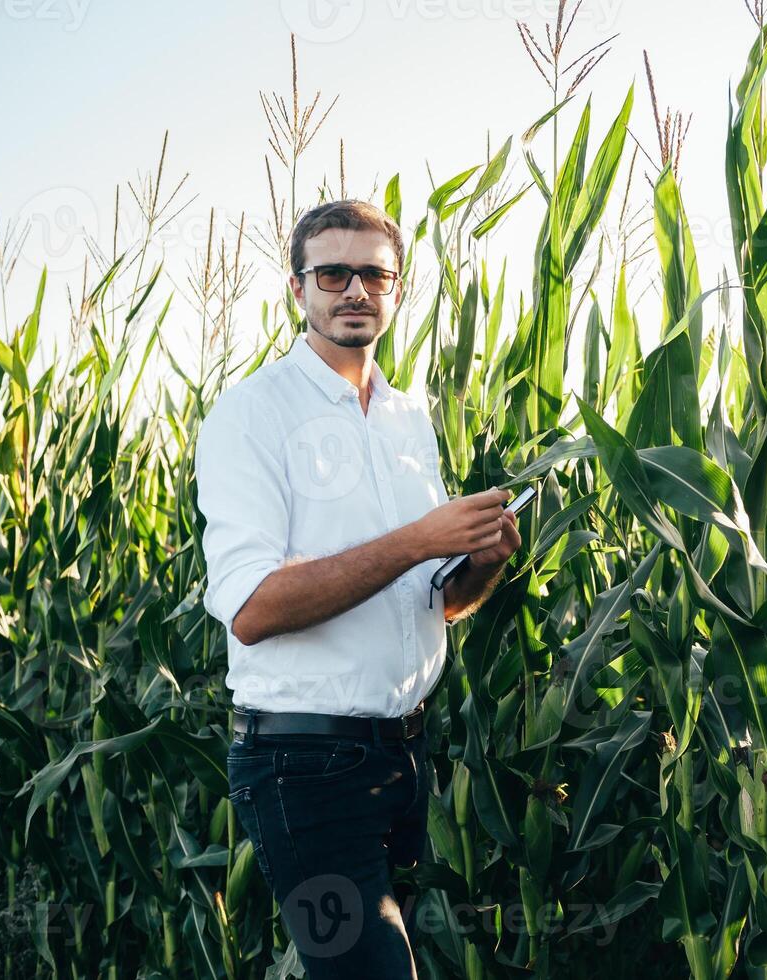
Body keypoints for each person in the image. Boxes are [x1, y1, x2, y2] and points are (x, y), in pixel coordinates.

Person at [193, 199, 519, 978]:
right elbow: (251, 610)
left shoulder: (408, 419)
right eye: (332, 273)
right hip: (303, 770)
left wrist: (482, 558)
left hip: (403, 762)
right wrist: (420, 538)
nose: (354, 291)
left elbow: (433, 603)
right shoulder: (250, 416)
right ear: (296, 290)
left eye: (374, 274)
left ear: (397, 290)